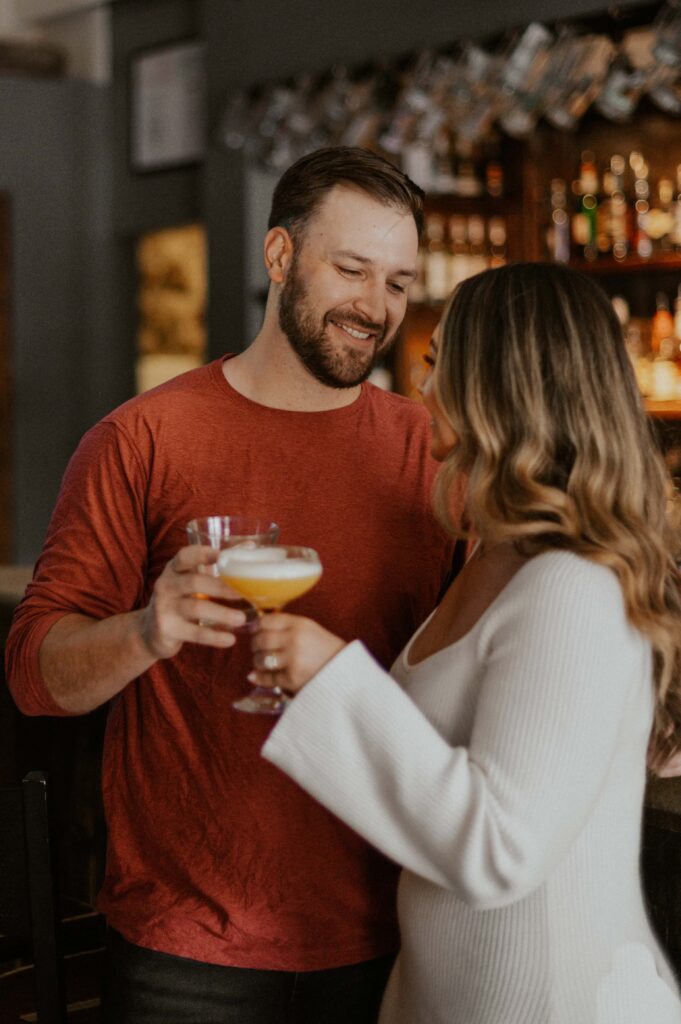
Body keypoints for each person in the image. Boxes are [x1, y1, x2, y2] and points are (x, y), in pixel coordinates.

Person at [5, 147, 454, 1023]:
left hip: (395, 933)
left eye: (398, 283)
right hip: (188, 952)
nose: (376, 308)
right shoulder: (141, 439)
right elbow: (33, 676)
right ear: (279, 256)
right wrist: (144, 631)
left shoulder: (433, 453)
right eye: (352, 270)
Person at [253, 262, 681, 1024]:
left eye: (437, 359)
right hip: (451, 990)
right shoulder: (496, 559)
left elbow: (502, 848)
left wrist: (331, 679)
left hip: (543, 1000)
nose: (421, 386)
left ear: (499, 381)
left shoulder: (569, 588)